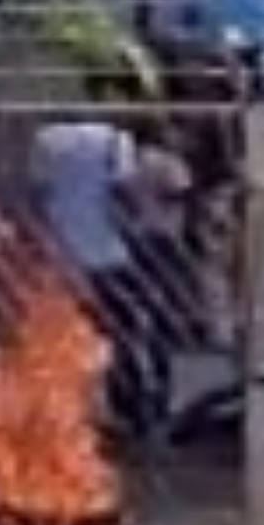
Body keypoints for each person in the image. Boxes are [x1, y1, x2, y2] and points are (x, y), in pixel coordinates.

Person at [29, 108, 193, 438]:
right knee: (123, 333)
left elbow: (36, 194)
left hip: (58, 254)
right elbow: (123, 192)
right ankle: (133, 410)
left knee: (58, 333)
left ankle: (61, 412)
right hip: (106, 252)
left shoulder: (44, 139)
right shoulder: (113, 140)